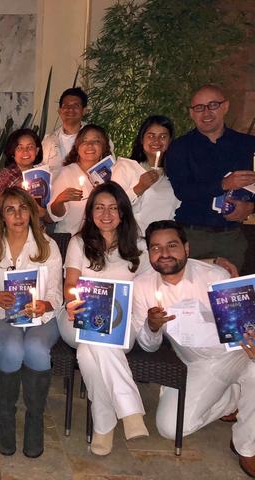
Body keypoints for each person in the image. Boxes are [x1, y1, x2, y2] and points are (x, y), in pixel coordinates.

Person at [133, 220, 255, 478]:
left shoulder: (214, 276)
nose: (164, 254)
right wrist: (152, 326)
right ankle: (232, 399)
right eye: (156, 248)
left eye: (172, 246)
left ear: (186, 248)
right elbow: (147, 345)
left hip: (235, 354)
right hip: (197, 366)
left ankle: (246, 446)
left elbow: (244, 320)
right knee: (169, 428)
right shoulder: (143, 286)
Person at [61, 182, 150, 456]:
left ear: (123, 212)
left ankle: (104, 424)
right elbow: (70, 285)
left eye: (113, 208)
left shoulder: (140, 246)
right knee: (94, 338)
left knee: (88, 353)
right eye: (99, 207)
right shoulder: (78, 242)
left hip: (122, 323)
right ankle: (130, 410)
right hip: (78, 316)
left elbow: (147, 288)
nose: (106, 214)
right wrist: (72, 302)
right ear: (90, 213)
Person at [0, 187, 62, 457]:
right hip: (3, 316)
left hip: (41, 317)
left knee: (36, 349)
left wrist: (45, 304)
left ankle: (35, 418)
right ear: (1, 216)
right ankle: (6, 417)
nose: (17, 215)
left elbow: (56, 294)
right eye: (10, 209)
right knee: (12, 349)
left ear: (31, 212)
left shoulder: (47, 245)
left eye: (23, 208)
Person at [165, 84, 255, 272]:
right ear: (191, 113)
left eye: (213, 105)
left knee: (230, 288)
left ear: (225, 106)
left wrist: (251, 207)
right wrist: (223, 184)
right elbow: (183, 191)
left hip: (232, 237)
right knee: (189, 289)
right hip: (192, 236)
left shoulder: (247, 145)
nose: (206, 112)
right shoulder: (180, 148)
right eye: (199, 107)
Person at [118, 115, 180, 233]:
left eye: (163, 136)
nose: (157, 141)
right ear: (142, 139)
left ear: (170, 141)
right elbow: (113, 205)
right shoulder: (126, 167)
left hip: (164, 239)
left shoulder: (175, 174)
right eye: (151, 136)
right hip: (132, 239)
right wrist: (139, 188)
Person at [48, 124, 113, 234]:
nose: (90, 145)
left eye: (96, 141)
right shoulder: (67, 173)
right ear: (77, 147)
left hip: (102, 238)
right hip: (70, 237)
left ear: (104, 147)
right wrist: (59, 201)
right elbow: (54, 215)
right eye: (84, 141)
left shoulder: (112, 173)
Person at [0, 129, 45, 221]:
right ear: (12, 152)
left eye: (30, 147)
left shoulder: (42, 177)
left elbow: (45, 214)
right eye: (19, 148)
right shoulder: (4, 175)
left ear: (37, 150)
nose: (25, 151)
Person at [41, 87, 89, 179]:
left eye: (76, 106)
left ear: (84, 111)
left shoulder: (96, 138)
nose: (70, 109)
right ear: (59, 110)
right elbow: (40, 171)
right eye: (66, 105)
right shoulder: (49, 140)